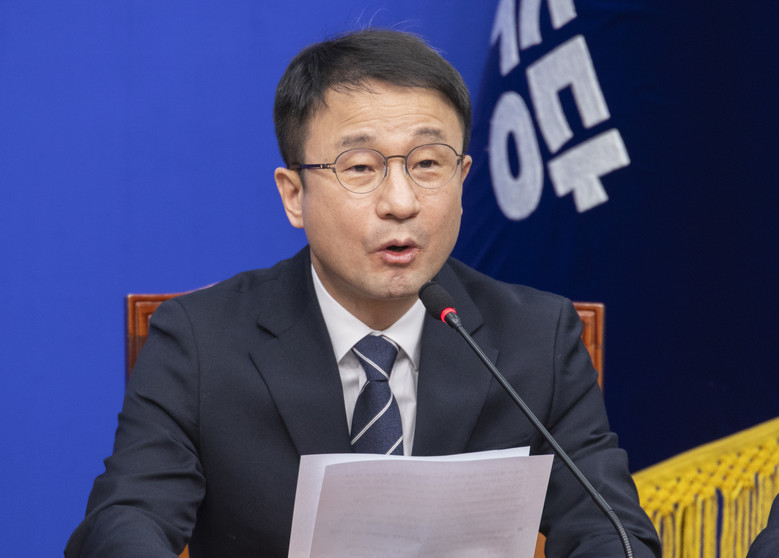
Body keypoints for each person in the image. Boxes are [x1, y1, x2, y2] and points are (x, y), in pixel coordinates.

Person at [65, 28, 661, 557]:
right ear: (294, 195)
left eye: (428, 164)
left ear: (462, 180)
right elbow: (126, 519)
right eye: (360, 168)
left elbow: (610, 529)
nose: (401, 202)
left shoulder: (538, 338)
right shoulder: (200, 341)